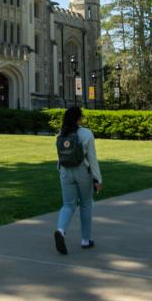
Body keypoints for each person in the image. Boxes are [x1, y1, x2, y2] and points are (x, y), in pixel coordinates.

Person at [53, 106, 102, 255]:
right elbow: (92, 158)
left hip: (65, 171)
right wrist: (98, 179)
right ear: (78, 119)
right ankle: (85, 240)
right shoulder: (86, 134)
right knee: (86, 204)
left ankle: (60, 230)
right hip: (82, 172)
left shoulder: (61, 134)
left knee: (68, 205)